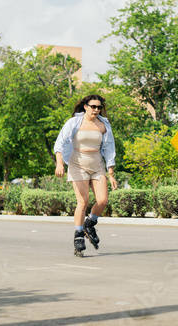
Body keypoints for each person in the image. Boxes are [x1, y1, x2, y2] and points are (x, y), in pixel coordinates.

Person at [54, 94, 118, 257]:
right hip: (78, 163)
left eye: (99, 107)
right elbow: (59, 143)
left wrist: (111, 173)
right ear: (85, 106)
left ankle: (90, 223)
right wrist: (60, 163)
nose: (96, 110)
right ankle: (78, 235)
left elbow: (109, 149)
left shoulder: (104, 124)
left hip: (96, 164)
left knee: (103, 200)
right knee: (83, 201)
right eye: (93, 107)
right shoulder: (74, 122)